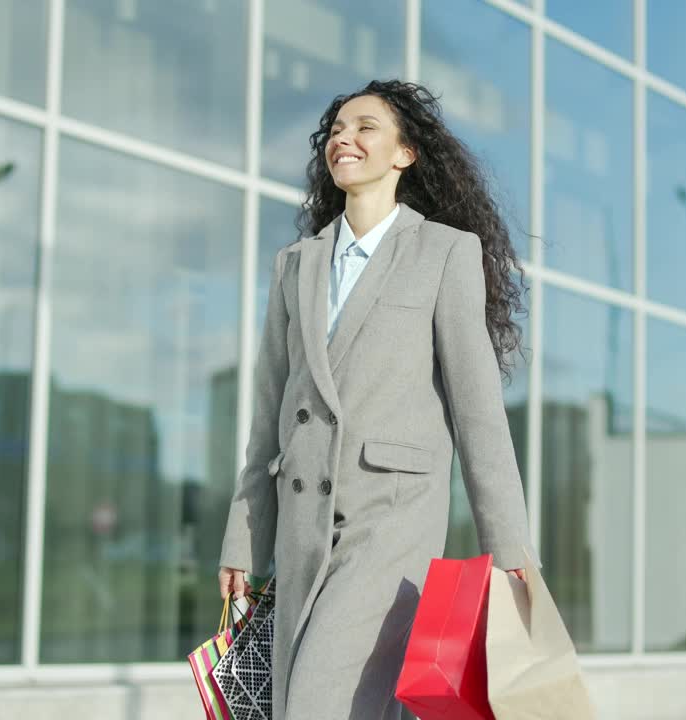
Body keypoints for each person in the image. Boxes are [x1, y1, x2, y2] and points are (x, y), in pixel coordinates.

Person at [217, 79, 540, 720]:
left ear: (404, 154)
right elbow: (269, 414)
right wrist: (243, 542)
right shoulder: (296, 264)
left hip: (390, 522)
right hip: (303, 524)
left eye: (365, 127)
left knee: (319, 701)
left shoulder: (444, 252)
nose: (345, 138)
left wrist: (512, 552)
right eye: (336, 130)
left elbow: (479, 416)